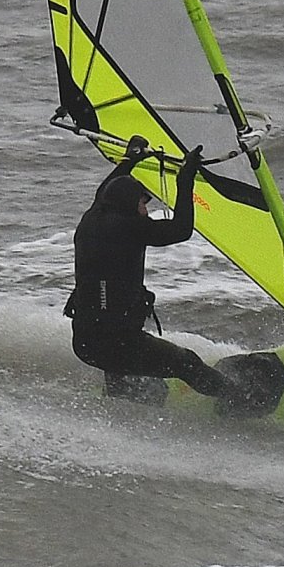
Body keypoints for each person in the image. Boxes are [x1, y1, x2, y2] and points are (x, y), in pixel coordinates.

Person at [65, 137, 236, 399]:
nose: (146, 210)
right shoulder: (129, 228)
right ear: (129, 207)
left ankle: (122, 395)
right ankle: (241, 397)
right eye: (142, 204)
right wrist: (185, 179)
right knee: (186, 362)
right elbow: (181, 229)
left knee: (115, 338)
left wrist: (130, 160)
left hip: (86, 339)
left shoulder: (92, 219)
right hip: (115, 343)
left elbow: (104, 193)